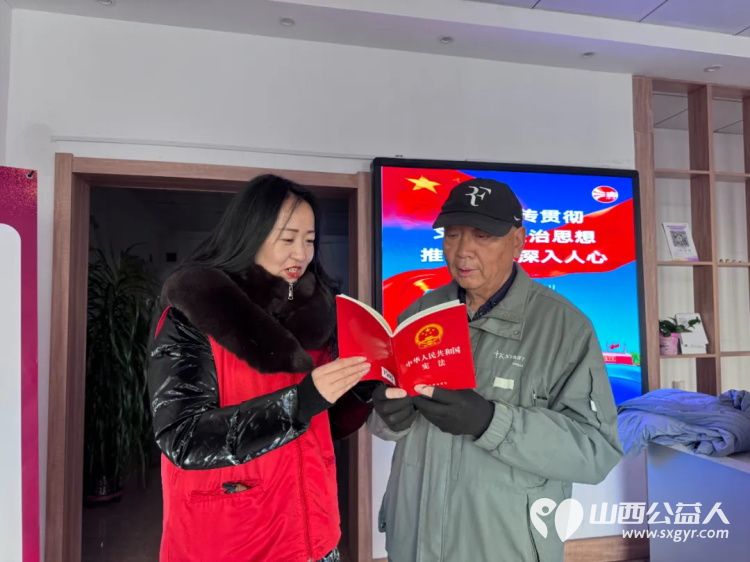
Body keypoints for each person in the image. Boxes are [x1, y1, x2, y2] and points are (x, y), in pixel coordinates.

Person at [369, 178, 623, 562]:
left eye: (482, 235)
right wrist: (387, 417)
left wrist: (490, 421)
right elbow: (386, 423)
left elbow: (595, 450)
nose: (462, 251)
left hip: (504, 547)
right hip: (412, 541)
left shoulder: (565, 329)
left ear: (518, 241)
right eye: (452, 235)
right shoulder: (420, 313)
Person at [147, 174, 371, 562]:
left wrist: (362, 389)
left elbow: (322, 422)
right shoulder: (193, 310)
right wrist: (298, 403)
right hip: (233, 541)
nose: (301, 254)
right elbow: (182, 437)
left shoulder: (318, 314)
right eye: (288, 238)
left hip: (315, 533)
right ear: (249, 235)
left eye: (310, 240)